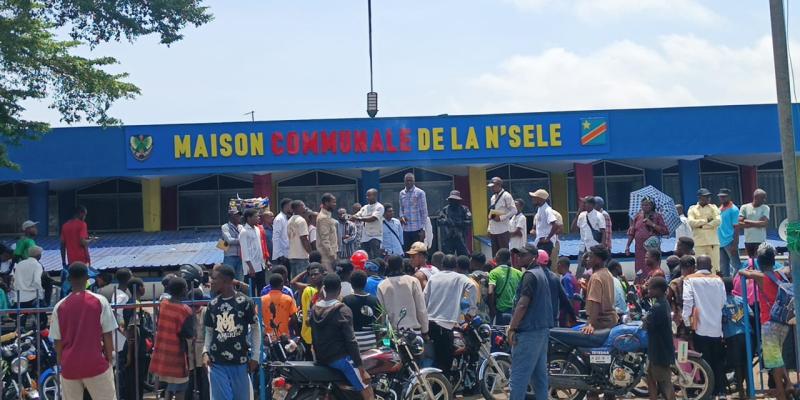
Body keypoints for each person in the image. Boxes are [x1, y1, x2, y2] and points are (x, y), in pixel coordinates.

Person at [50, 262, 117, 400]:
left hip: (70, 367)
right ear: (87, 278)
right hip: (95, 363)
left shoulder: (59, 306)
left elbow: (58, 342)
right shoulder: (100, 301)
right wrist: (110, 361)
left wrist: (62, 364)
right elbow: (107, 334)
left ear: (69, 279)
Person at [738, 244, 791, 400]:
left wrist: (751, 270)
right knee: (778, 357)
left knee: (774, 362)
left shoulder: (760, 277)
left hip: (769, 323)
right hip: (784, 321)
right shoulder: (782, 275)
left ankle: (783, 391)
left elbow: (742, 272)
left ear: (759, 262)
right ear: (774, 260)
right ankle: (787, 385)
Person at [310, 274, 375, 400]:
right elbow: (351, 340)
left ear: (324, 288)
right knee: (367, 387)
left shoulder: (315, 308)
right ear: (340, 289)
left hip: (321, 357)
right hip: (340, 359)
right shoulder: (343, 310)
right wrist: (361, 369)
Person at [203, 265, 261, 400]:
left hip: (240, 362)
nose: (211, 281)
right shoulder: (212, 305)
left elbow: (255, 329)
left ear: (227, 280)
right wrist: (205, 352)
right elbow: (209, 332)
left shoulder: (245, 302)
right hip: (217, 363)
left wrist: (255, 357)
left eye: (215, 278)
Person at [506, 244, 553, 400]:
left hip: (528, 332)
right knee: (539, 378)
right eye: (518, 255)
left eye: (523, 255)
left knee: (518, 377)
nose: (519, 258)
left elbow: (523, 304)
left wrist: (512, 328)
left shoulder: (530, 275)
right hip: (541, 331)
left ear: (534, 257)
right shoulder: (541, 274)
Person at [682, 254, 726, 398]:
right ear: (711, 266)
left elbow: (687, 302)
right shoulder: (718, 280)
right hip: (716, 327)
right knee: (717, 361)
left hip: (699, 327)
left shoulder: (690, 280)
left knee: (703, 361)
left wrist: (687, 322)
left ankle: (709, 392)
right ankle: (721, 391)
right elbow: (722, 302)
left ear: (696, 267)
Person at [424, 254, 476, 372]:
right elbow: (471, 286)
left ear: (442, 265)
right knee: (444, 363)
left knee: (434, 359)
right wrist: (470, 312)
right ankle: (443, 388)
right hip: (445, 325)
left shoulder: (433, 277)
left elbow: (424, 299)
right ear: (456, 266)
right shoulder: (461, 278)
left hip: (429, 323)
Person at [149, 277, 195, 400]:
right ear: (183, 291)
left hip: (162, 354)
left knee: (168, 387)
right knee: (181, 388)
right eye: (185, 288)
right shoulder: (185, 310)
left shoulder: (163, 304)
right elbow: (189, 334)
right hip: (177, 356)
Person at [377, 255, 429, 334]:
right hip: (414, 332)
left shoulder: (382, 285)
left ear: (388, 266)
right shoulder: (413, 281)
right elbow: (421, 308)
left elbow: (381, 313)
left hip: (394, 334)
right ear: (402, 265)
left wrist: (383, 334)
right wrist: (425, 330)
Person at [643, 276, 675, 400]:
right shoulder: (663, 303)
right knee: (650, 377)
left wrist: (645, 320)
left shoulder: (658, 307)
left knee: (664, 382)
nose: (648, 291)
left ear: (658, 290)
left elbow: (647, 325)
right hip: (656, 350)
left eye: (650, 289)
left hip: (660, 352)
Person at [625, 197, 669, 282]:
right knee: (640, 270)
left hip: (652, 249)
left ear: (652, 206)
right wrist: (627, 246)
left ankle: (653, 285)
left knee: (651, 267)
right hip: (639, 249)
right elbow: (632, 232)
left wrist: (652, 224)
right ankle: (640, 288)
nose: (645, 207)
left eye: (648, 205)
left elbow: (665, 231)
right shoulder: (638, 216)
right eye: (643, 205)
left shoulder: (657, 216)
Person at [722, 276, 750, 399]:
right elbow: (751, 313)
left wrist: (731, 319)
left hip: (732, 336)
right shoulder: (740, 299)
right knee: (747, 363)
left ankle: (741, 391)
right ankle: (750, 390)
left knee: (737, 364)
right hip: (747, 334)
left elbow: (722, 319)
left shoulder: (721, 302)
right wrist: (738, 316)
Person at [343, 270, 381, 352]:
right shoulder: (374, 300)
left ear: (351, 284)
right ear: (365, 283)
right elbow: (379, 323)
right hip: (372, 342)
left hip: (354, 342)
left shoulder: (347, 300)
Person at [688, 188, 722, 274]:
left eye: (709, 196)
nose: (708, 198)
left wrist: (701, 226)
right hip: (699, 242)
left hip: (712, 242)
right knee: (700, 266)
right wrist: (707, 220)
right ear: (699, 197)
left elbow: (718, 221)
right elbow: (691, 222)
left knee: (715, 267)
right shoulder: (692, 209)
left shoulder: (713, 207)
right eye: (705, 196)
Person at [13, 246, 45, 328]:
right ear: (38, 255)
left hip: (20, 297)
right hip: (33, 297)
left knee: (20, 324)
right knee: (42, 321)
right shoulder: (37, 265)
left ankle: (19, 339)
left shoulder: (20, 264)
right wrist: (41, 295)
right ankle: (39, 337)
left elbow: (15, 281)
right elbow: (37, 281)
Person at [260, 273, 298, 341]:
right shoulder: (288, 299)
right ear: (282, 284)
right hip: (284, 337)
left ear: (270, 285)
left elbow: (258, 317)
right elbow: (294, 318)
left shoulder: (262, 300)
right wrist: (287, 324)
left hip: (268, 338)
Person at [296, 263, 324, 355]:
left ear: (323, 274)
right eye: (311, 275)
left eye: (316, 274)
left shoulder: (326, 292)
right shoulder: (309, 290)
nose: (313, 277)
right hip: (310, 334)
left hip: (319, 336)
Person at [574, 196, 606, 277]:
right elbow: (573, 229)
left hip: (594, 247)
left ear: (591, 204)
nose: (583, 204)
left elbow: (603, 232)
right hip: (583, 246)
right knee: (580, 269)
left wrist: (602, 245)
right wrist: (578, 213)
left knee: (594, 269)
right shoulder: (581, 215)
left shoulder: (599, 215)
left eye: (585, 203)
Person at [239, 208, 267, 294]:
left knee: (261, 289)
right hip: (251, 268)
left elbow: (259, 247)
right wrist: (250, 267)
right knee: (250, 291)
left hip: (260, 265)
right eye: (256, 216)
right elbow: (244, 251)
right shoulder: (244, 232)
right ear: (249, 218)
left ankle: (260, 307)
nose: (258, 218)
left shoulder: (257, 229)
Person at [399, 172, 428, 251]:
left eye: (411, 180)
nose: (409, 182)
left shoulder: (420, 193)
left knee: (418, 252)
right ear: (404, 181)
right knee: (407, 252)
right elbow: (401, 209)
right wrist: (402, 217)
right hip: (406, 229)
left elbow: (424, 212)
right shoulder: (401, 193)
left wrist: (423, 229)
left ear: (414, 181)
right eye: (407, 180)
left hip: (417, 229)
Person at [351, 189, 384, 259]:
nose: (367, 197)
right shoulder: (365, 207)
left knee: (376, 258)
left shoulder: (379, 207)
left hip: (375, 236)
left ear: (375, 196)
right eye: (367, 196)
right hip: (365, 237)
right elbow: (357, 215)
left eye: (369, 195)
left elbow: (373, 218)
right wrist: (348, 217)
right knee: (365, 257)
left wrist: (360, 218)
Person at [438, 190, 472, 256]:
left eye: (455, 200)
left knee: (463, 257)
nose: (453, 202)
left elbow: (469, 222)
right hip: (449, 238)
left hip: (461, 237)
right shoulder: (445, 209)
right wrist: (446, 221)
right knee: (448, 258)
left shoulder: (464, 209)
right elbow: (439, 221)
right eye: (451, 200)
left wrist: (459, 223)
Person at [487, 177, 515, 257]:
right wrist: (489, 228)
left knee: (504, 254)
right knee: (495, 255)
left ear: (499, 185)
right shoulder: (492, 197)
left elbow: (514, 210)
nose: (492, 188)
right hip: (493, 230)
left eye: (493, 186)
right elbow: (492, 212)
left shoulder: (506, 196)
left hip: (503, 230)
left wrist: (501, 218)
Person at [739, 188, 770, 259]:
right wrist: (757, 223)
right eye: (763, 198)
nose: (764, 200)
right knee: (751, 262)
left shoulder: (765, 208)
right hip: (748, 241)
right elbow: (740, 223)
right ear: (756, 197)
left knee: (759, 261)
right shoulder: (744, 207)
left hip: (760, 241)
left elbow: (764, 224)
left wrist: (747, 221)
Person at [529, 189, 559, 259]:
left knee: (542, 262)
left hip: (545, 243)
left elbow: (555, 225)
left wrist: (548, 238)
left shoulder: (547, 210)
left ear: (540, 199)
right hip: (540, 241)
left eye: (534, 197)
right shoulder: (540, 209)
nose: (532, 199)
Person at [717, 188, 740, 277]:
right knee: (723, 267)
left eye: (724, 196)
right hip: (720, 242)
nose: (722, 198)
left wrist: (735, 244)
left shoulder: (734, 209)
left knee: (736, 266)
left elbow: (737, 227)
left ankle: (739, 286)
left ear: (729, 197)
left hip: (730, 241)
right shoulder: (720, 209)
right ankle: (727, 287)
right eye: (720, 197)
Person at [287, 200, 312, 279]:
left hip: (292, 255)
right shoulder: (301, 220)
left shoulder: (289, 220)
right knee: (303, 280)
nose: (305, 208)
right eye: (303, 206)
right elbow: (304, 239)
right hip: (302, 256)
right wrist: (311, 253)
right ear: (298, 208)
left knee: (295, 280)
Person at [317, 193, 339, 271]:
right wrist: (332, 255)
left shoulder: (327, 216)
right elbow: (325, 240)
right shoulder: (323, 218)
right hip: (327, 257)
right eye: (333, 202)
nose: (335, 204)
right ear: (326, 203)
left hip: (330, 256)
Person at [221, 209, 244, 280]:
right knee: (228, 278)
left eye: (239, 215)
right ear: (231, 217)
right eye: (236, 216)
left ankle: (239, 291)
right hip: (230, 256)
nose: (239, 217)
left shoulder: (241, 227)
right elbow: (229, 240)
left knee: (240, 279)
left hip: (240, 256)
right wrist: (242, 241)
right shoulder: (225, 227)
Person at [557, 257, 580, 323]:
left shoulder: (566, 279)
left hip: (568, 313)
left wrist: (570, 315)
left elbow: (569, 297)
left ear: (560, 265)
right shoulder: (572, 276)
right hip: (575, 310)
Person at [272, 198, 292, 265]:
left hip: (287, 254)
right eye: (290, 206)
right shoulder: (279, 219)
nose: (292, 208)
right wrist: (280, 254)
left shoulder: (286, 218)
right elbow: (275, 238)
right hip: (281, 256)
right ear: (286, 206)